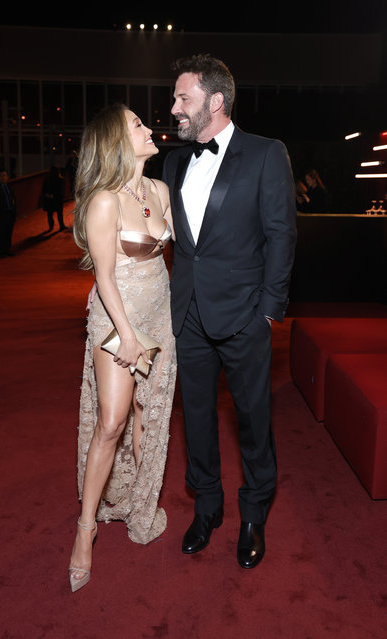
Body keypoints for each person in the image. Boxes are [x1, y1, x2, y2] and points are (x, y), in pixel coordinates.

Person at [162, 54, 297, 569]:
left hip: (244, 314)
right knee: (195, 417)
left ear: (215, 102)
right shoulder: (174, 162)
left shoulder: (266, 154)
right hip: (189, 315)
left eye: (183, 98)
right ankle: (208, 506)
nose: (174, 107)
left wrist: (268, 310)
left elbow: (281, 234)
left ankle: (253, 513)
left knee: (253, 420)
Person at [69, 104, 177, 592]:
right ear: (116, 140)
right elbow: (105, 275)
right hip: (117, 320)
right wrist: (128, 336)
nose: (149, 128)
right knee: (112, 421)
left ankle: (139, 504)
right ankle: (85, 529)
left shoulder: (159, 190)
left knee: (145, 414)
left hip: (160, 314)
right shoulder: (104, 201)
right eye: (137, 124)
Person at [0, 169, 16, 257]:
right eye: (1, 176)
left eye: (5, 175)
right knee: (0, 233)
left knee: (8, 232)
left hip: (9, 213)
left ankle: (7, 249)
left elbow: (13, 201)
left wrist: (14, 213)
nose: (3, 177)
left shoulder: (10, 188)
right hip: (1, 214)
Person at [41, 166, 67, 231]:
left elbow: (44, 189)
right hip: (57, 199)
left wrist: (47, 195)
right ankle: (61, 226)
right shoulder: (60, 179)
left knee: (50, 214)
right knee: (59, 213)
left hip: (49, 199)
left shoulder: (47, 179)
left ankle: (51, 227)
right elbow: (61, 190)